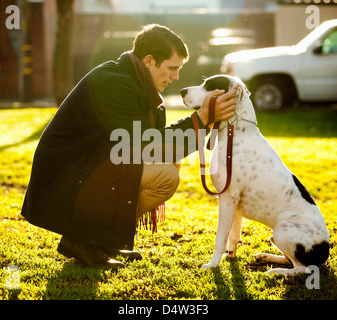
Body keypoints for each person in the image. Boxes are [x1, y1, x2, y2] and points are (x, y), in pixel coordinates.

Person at [20, 24, 237, 270]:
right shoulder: (115, 84)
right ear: (149, 61)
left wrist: (201, 121)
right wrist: (201, 119)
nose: (176, 77)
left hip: (88, 166)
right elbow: (147, 147)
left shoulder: (133, 82)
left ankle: (102, 240)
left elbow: (150, 142)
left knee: (169, 163)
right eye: (172, 68)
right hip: (66, 178)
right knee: (165, 176)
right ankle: (82, 240)